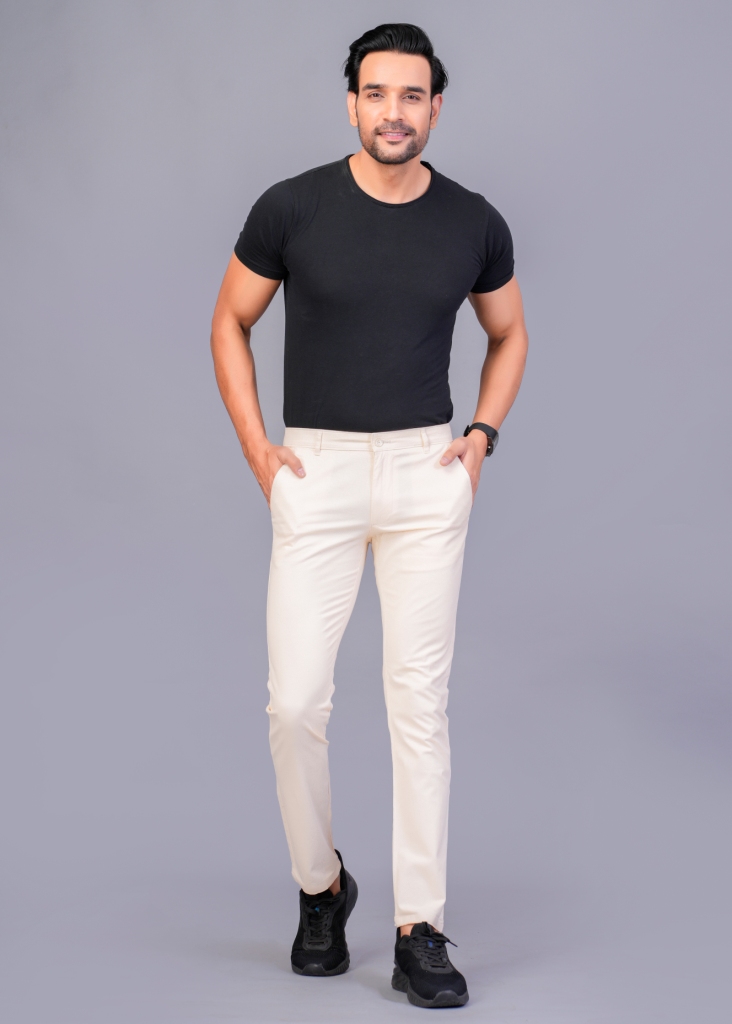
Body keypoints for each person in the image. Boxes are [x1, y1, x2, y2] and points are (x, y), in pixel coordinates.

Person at [211, 22, 528, 1009]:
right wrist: (260, 451)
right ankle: (323, 887)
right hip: (319, 468)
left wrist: (480, 438)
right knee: (295, 703)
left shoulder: (473, 221)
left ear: (436, 107)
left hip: (427, 472)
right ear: (352, 102)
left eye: (413, 95)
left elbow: (510, 333)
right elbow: (230, 320)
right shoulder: (292, 207)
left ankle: (418, 927)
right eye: (378, 94)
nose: (395, 113)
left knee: (417, 705)